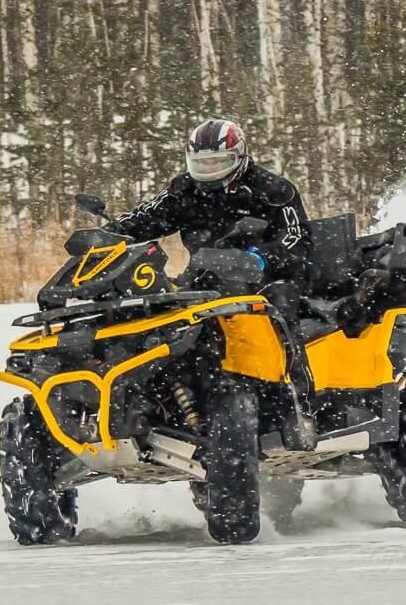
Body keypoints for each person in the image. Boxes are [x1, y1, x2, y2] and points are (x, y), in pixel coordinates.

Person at [104, 118, 317, 449]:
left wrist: (260, 257)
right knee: (160, 310)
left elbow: (297, 237)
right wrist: (111, 234)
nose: (210, 171)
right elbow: (147, 217)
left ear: (240, 157)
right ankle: (170, 398)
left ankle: (299, 405)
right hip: (208, 277)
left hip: (272, 276)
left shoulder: (273, 190)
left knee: (281, 310)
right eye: (201, 164)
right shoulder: (184, 191)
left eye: (218, 162)